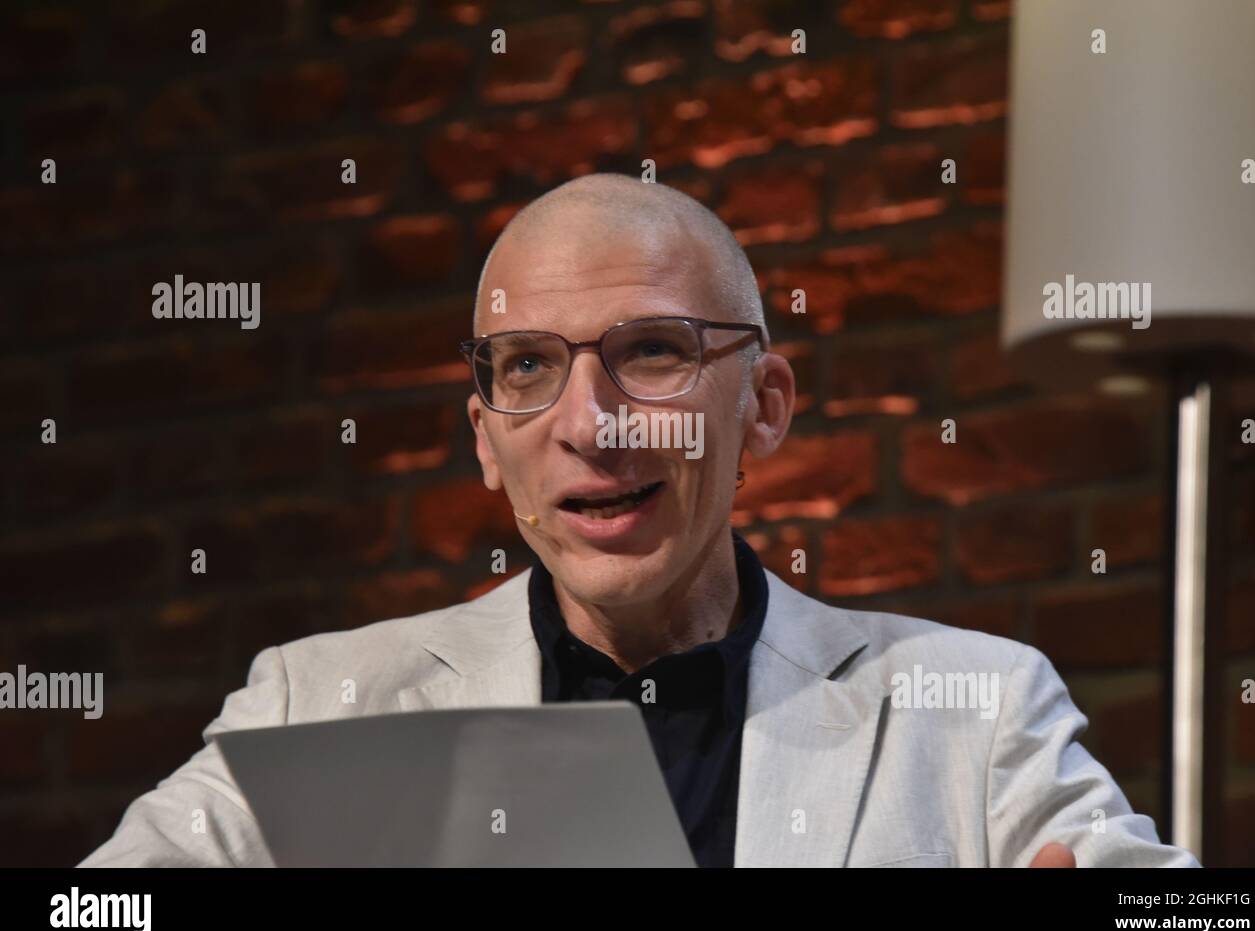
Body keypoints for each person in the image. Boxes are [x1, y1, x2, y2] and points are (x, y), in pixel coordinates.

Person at [80, 173, 1198, 867]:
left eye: (649, 353)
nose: (591, 424)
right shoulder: (311, 704)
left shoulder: (975, 708)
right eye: (527, 367)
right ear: (484, 437)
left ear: (762, 406)